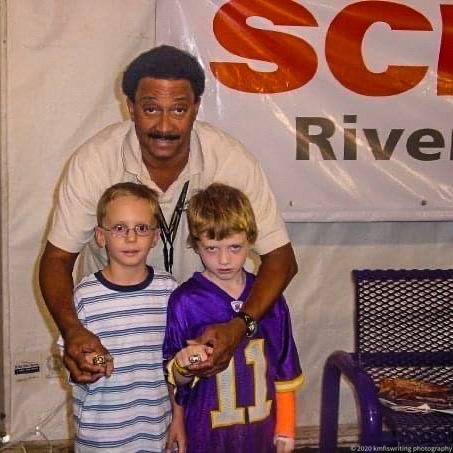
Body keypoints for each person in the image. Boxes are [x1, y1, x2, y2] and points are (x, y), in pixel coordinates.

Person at [39, 44, 298, 384]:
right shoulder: (94, 162)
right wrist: (73, 331)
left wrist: (240, 326)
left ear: (196, 108)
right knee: (116, 432)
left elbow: (282, 259)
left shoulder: (231, 159)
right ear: (129, 107)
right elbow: (56, 260)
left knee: (201, 435)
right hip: (117, 334)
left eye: (178, 109)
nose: (164, 125)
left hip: (204, 336)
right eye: (150, 109)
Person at [163, 183, 303, 453]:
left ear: (251, 240)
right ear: (195, 244)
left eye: (235, 247)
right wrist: (182, 366)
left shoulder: (267, 297)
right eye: (212, 248)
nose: (224, 259)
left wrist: (286, 427)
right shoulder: (185, 301)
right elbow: (175, 379)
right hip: (205, 433)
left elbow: (285, 368)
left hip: (260, 432)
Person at [58, 182, 185, 452]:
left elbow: (176, 366)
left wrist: (179, 418)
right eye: (119, 228)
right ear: (101, 236)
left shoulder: (170, 291)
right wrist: (94, 363)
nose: (131, 238)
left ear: (155, 237)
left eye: (141, 228)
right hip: (101, 439)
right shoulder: (83, 296)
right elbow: (73, 361)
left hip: (157, 434)